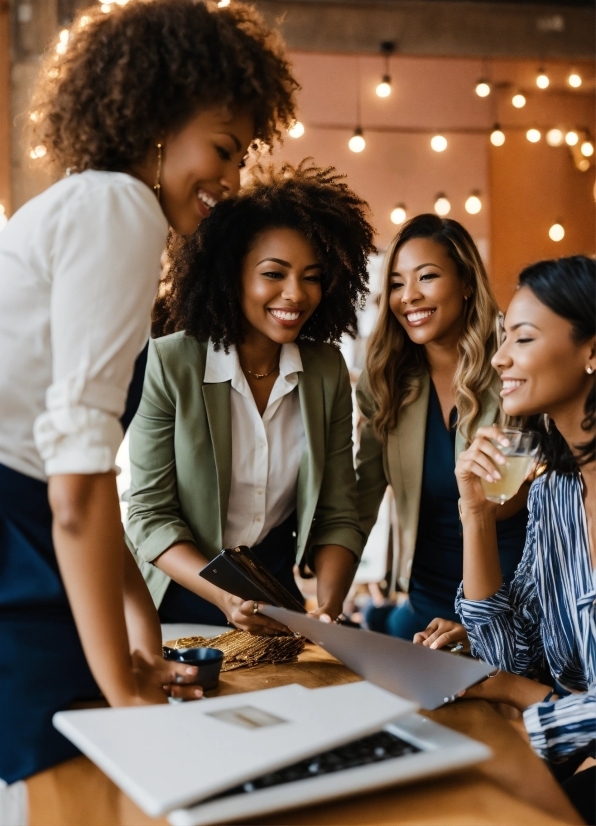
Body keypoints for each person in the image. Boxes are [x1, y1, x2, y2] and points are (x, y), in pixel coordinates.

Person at [0, 0, 297, 783]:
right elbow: (73, 494)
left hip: (32, 539)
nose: (231, 180)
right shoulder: (118, 208)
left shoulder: (82, 203)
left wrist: (140, 639)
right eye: (224, 149)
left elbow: (85, 493)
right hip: (24, 549)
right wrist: (127, 692)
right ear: (158, 117)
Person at [125, 161, 375, 633]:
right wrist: (225, 597)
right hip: (179, 595)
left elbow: (339, 512)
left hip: (274, 598)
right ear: (231, 274)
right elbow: (149, 515)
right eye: (274, 274)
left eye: (312, 276)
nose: (296, 294)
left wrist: (327, 606)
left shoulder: (326, 371)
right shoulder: (169, 363)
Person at [453, 255, 595, 824]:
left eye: (523, 338)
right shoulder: (554, 492)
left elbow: (508, 677)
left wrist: (516, 697)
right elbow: (508, 653)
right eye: (503, 336)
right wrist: (477, 515)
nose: (499, 357)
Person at [356, 214, 527, 640]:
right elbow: (359, 503)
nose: (408, 296)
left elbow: (538, 502)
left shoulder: (517, 368)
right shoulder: (387, 380)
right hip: (424, 608)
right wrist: (327, 603)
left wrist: (481, 624)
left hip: (511, 608)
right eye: (396, 283)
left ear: (467, 282)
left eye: (426, 277)